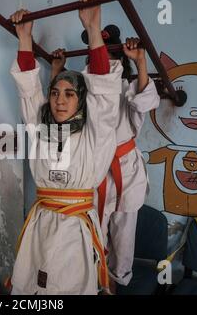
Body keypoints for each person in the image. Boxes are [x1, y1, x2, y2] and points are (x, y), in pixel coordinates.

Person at [9, 0, 123, 294]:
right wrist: (25, 38)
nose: (60, 100)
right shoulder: (41, 128)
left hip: (74, 228)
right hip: (41, 223)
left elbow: (104, 94)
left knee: (66, 286)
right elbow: (28, 90)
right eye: (56, 92)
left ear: (81, 100)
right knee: (32, 284)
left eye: (70, 94)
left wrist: (93, 27)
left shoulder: (93, 135)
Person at [52, 25, 161, 291]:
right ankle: (93, 283)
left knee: (124, 241)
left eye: (113, 58)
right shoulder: (86, 96)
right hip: (94, 170)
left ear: (121, 63)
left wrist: (141, 61)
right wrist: (57, 71)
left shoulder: (129, 89)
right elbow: (60, 108)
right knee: (92, 234)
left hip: (127, 170)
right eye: (99, 58)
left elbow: (146, 101)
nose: (106, 64)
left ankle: (115, 285)